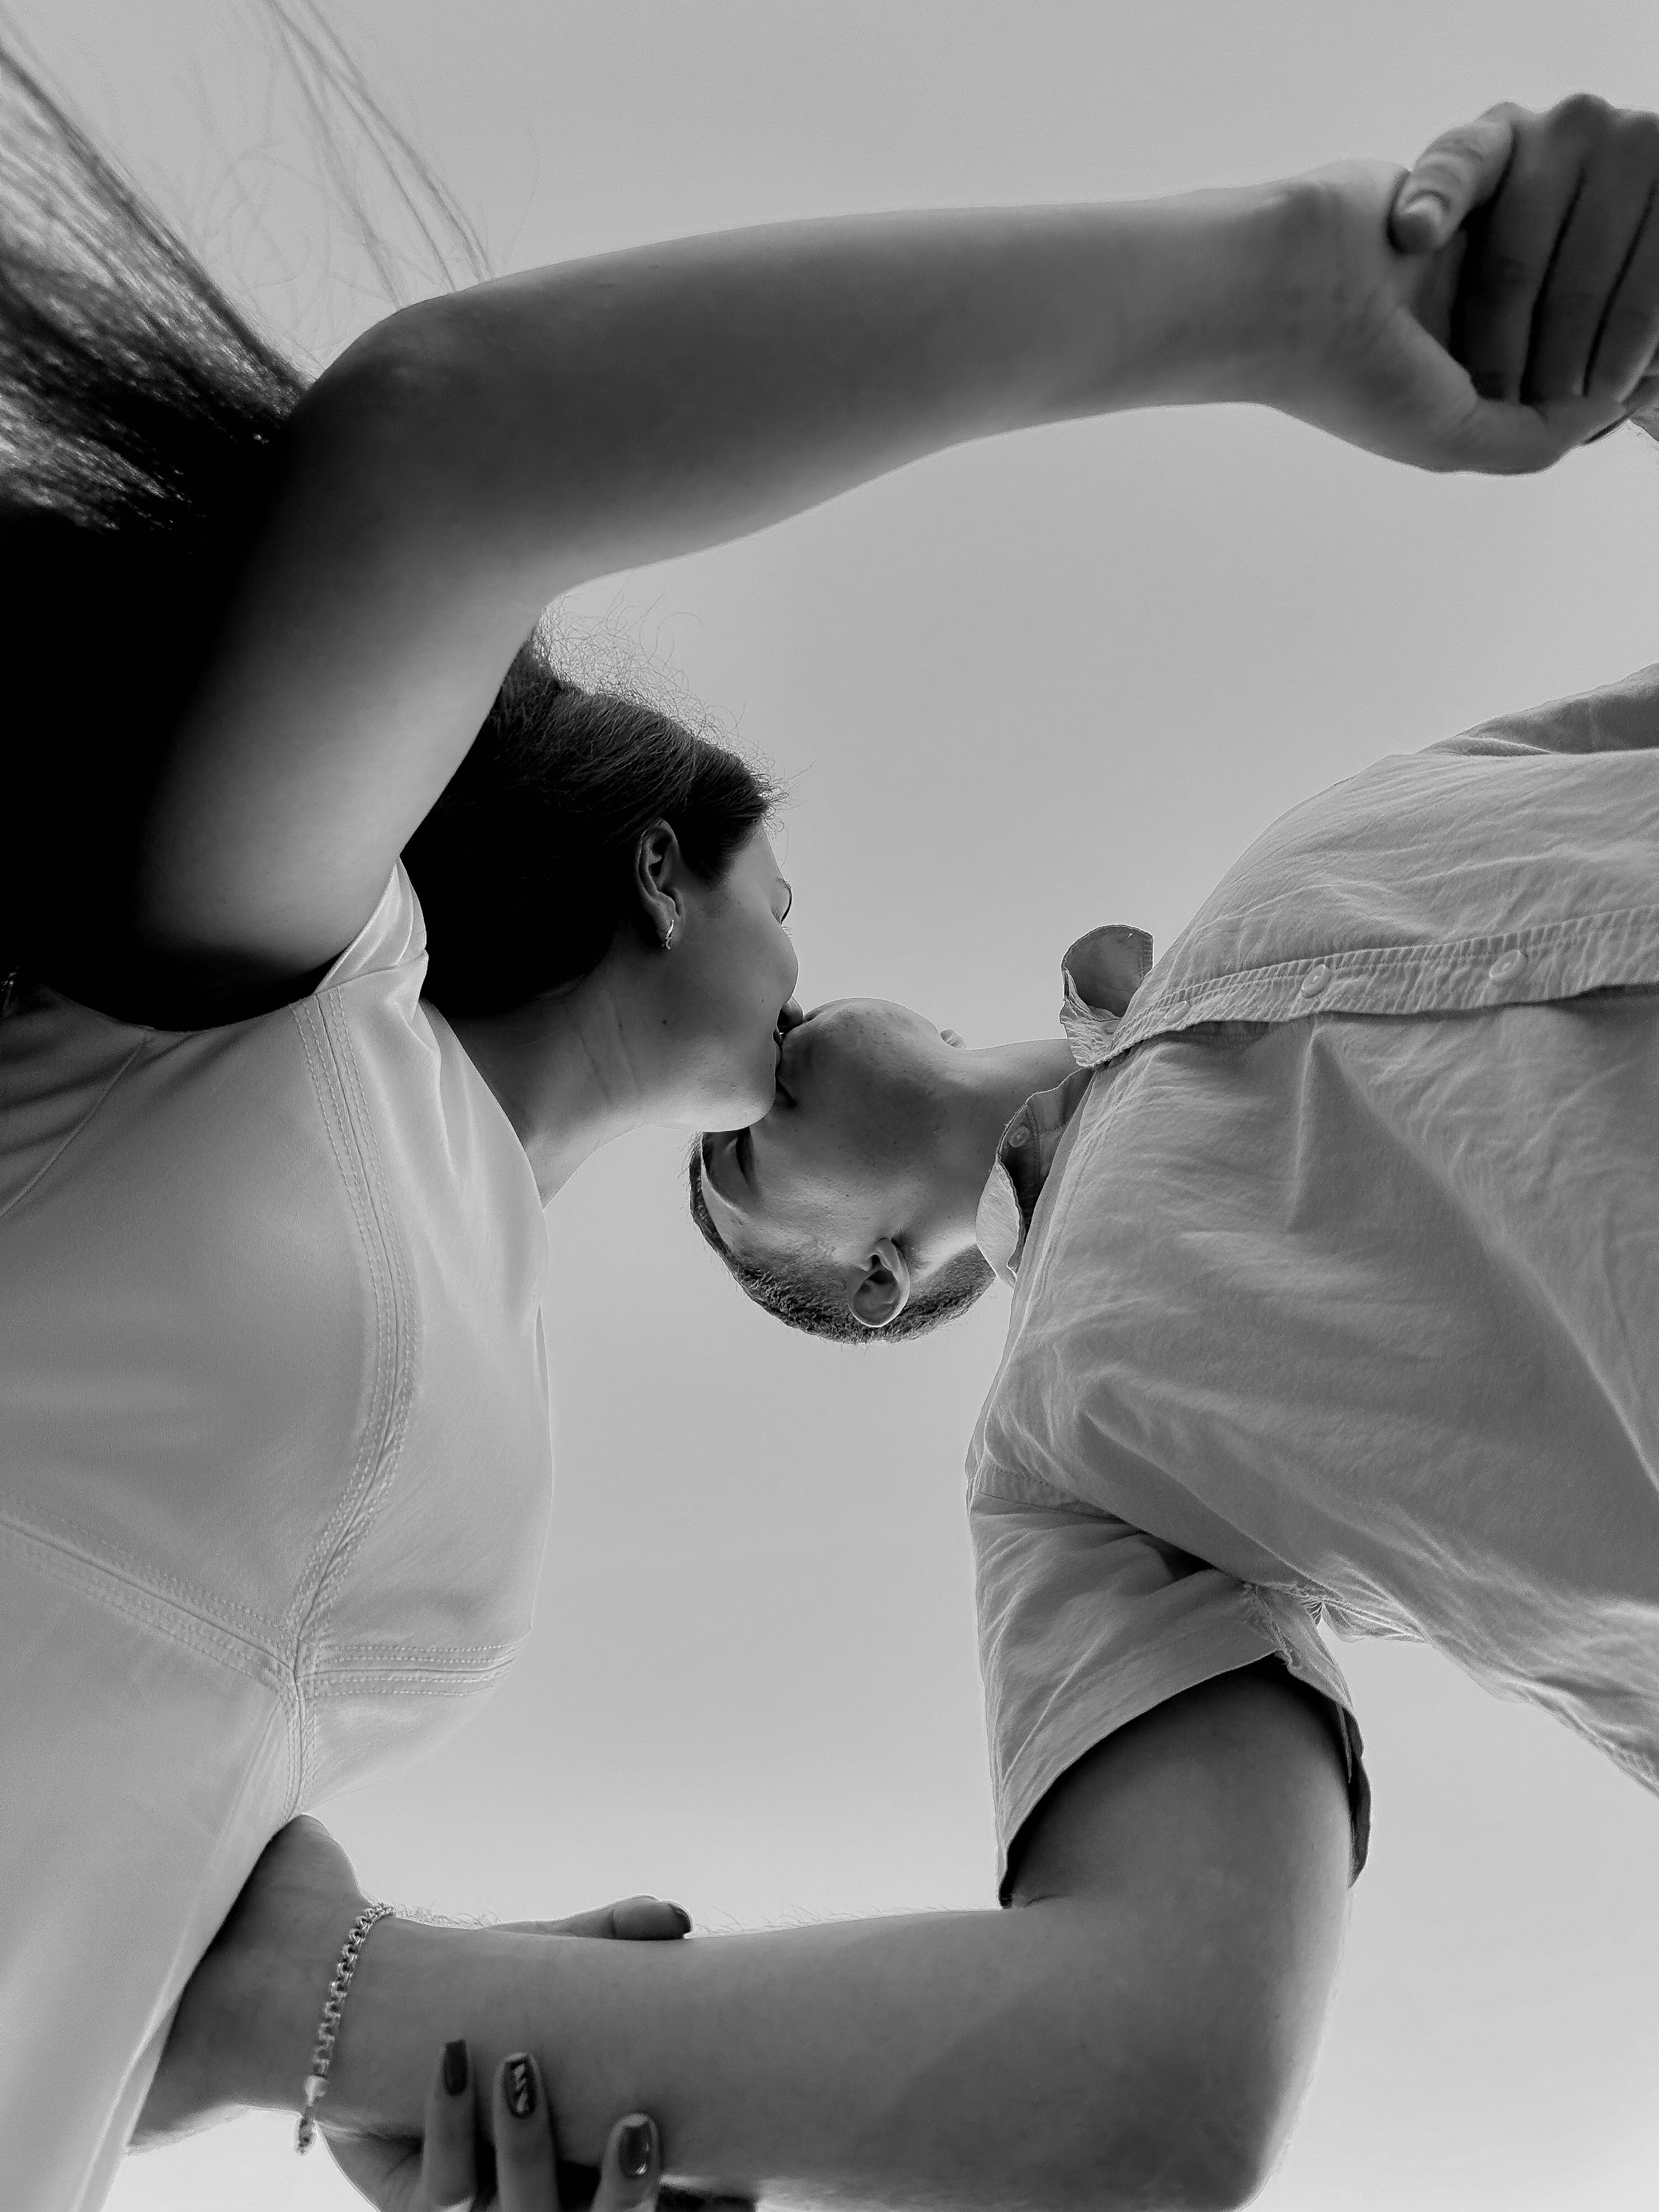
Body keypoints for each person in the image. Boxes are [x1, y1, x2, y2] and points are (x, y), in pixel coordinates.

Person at [1, 34, 1651, 2211]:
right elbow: (1139, 2084)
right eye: (749, 1200)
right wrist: (362, 2018)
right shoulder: (1073, 1464)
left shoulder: (1335, 847)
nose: (789, 1009)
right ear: (889, 1284)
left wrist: (1593, 301)